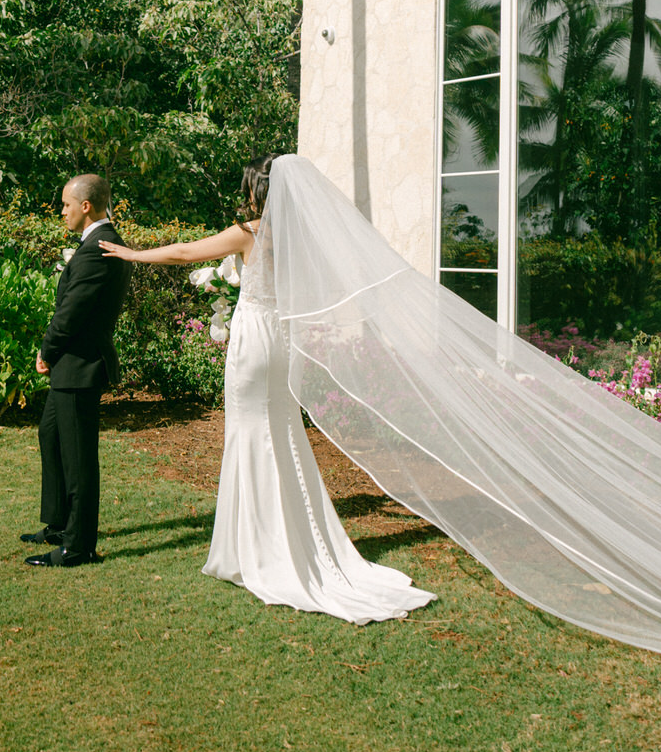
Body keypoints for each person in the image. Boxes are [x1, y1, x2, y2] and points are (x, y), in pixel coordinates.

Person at [100, 155, 434, 624]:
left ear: (257, 190)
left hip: (255, 338)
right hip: (282, 339)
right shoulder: (299, 239)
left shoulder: (251, 231)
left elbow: (183, 253)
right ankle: (271, 539)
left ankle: (257, 548)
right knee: (281, 432)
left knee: (250, 432)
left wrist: (132, 254)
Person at [22, 173, 127, 569]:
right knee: (51, 434)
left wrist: (47, 352)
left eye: (66, 204)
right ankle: (60, 524)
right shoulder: (96, 246)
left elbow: (70, 315)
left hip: (79, 365)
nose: (61, 211)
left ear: (86, 206)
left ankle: (78, 546)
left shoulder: (100, 249)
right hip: (72, 365)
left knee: (80, 458)